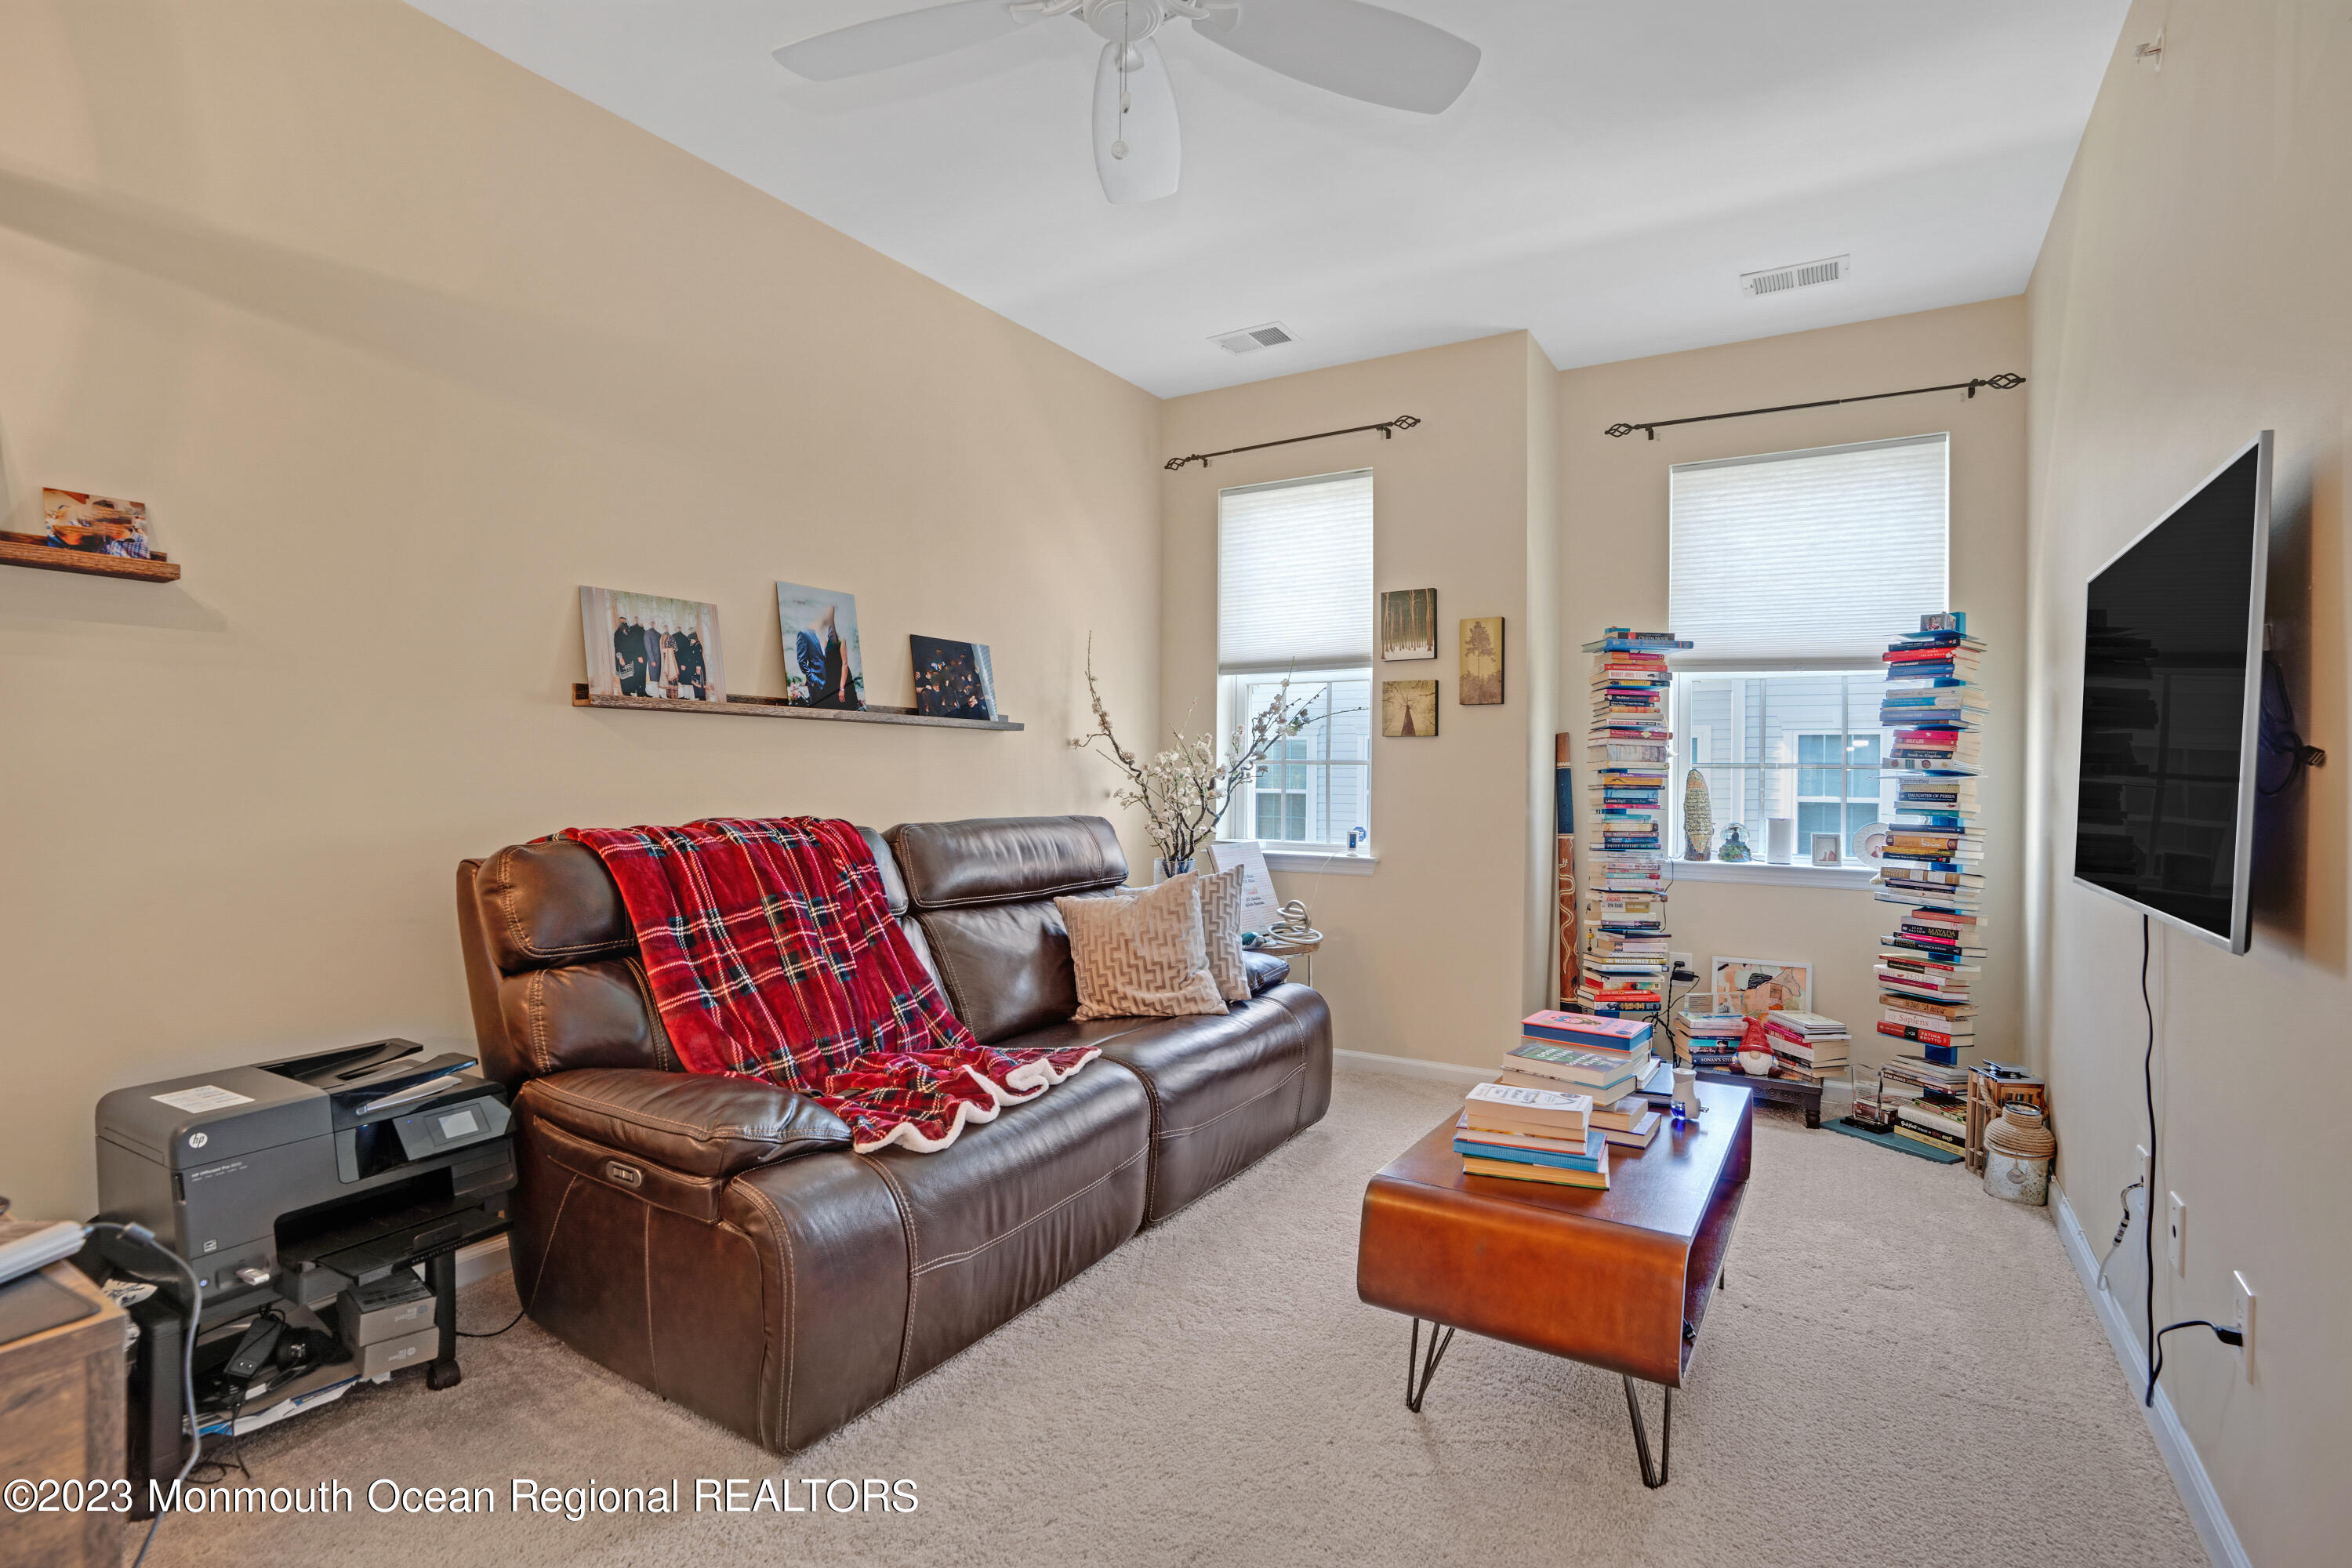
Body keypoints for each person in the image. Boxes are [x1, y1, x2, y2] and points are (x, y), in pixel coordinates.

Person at [793, 604, 858, 709]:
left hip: (838, 681)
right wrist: (810, 678)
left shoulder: (840, 640)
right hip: (828, 681)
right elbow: (814, 660)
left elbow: (845, 665)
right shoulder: (821, 638)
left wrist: (842, 689)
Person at [614, 615, 647, 696]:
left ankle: (631, 690)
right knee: (624, 676)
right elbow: (617, 646)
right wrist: (620, 658)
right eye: (622, 621)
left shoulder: (628, 633)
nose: (623, 623)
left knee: (631, 675)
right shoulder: (618, 633)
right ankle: (626, 692)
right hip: (623, 657)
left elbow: (632, 644)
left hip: (630, 657)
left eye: (624, 621)